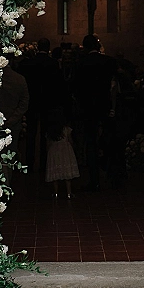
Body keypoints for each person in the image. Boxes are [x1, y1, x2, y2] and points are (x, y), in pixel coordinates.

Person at [73, 34, 117, 191]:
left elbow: (76, 88)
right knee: (108, 139)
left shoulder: (81, 64)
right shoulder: (109, 62)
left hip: (88, 108)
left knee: (91, 142)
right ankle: (112, 174)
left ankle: (94, 179)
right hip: (104, 105)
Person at [18, 37, 62, 172]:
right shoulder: (53, 63)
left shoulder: (29, 63)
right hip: (47, 103)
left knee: (31, 133)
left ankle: (29, 162)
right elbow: (57, 85)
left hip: (33, 102)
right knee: (44, 133)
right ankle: (44, 162)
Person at [45, 108, 79, 199]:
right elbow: (70, 140)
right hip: (66, 152)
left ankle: (56, 193)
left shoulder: (50, 131)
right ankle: (69, 193)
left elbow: (48, 144)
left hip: (54, 152)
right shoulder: (66, 129)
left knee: (55, 173)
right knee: (67, 173)